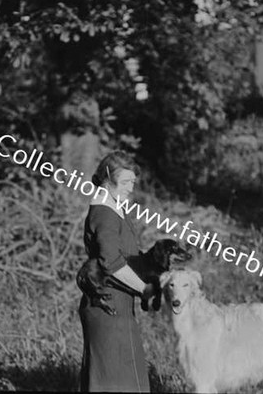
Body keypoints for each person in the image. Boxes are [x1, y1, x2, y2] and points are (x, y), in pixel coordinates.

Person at [78, 150, 154, 393]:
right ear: (107, 177)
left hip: (118, 303)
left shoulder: (115, 207)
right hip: (106, 304)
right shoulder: (104, 212)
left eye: (133, 182)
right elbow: (112, 262)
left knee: (127, 379)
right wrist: (145, 289)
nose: (131, 188)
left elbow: (128, 257)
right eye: (125, 182)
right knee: (113, 382)